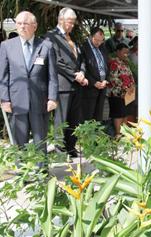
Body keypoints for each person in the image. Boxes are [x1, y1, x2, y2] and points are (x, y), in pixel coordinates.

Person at [0, 11, 58, 155]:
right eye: (19, 23)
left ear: (35, 26)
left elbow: (52, 76)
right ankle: (22, 172)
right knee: (19, 142)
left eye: (25, 23)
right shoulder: (7, 46)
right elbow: (3, 75)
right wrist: (4, 99)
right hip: (16, 102)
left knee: (40, 141)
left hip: (40, 101)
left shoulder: (46, 46)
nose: (22, 27)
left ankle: (41, 173)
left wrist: (52, 98)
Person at [45, 7, 88, 158]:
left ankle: (71, 147)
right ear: (61, 20)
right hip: (62, 85)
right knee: (61, 120)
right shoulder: (51, 37)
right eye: (70, 22)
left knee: (74, 119)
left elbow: (81, 58)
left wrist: (82, 72)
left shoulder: (72, 38)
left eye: (73, 22)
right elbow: (56, 61)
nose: (72, 25)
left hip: (76, 85)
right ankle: (60, 151)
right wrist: (74, 75)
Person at [107, 43, 136, 137]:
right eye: (124, 53)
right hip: (117, 93)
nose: (126, 55)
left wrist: (131, 87)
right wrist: (125, 89)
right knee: (118, 114)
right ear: (118, 52)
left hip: (128, 93)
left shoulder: (125, 62)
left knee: (126, 113)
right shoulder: (113, 62)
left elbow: (130, 75)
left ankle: (124, 133)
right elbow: (113, 79)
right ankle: (118, 134)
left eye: (127, 53)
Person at [81, 27, 109, 122]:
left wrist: (106, 79)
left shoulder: (102, 47)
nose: (98, 43)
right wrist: (93, 82)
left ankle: (97, 135)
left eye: (101, 41)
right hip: (90, 86)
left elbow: (106, 65)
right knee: (88, 114)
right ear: (90, 36)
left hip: (102, 85)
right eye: (96, 40)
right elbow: (83, 67)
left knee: (98, 114)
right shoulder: (84, 48)